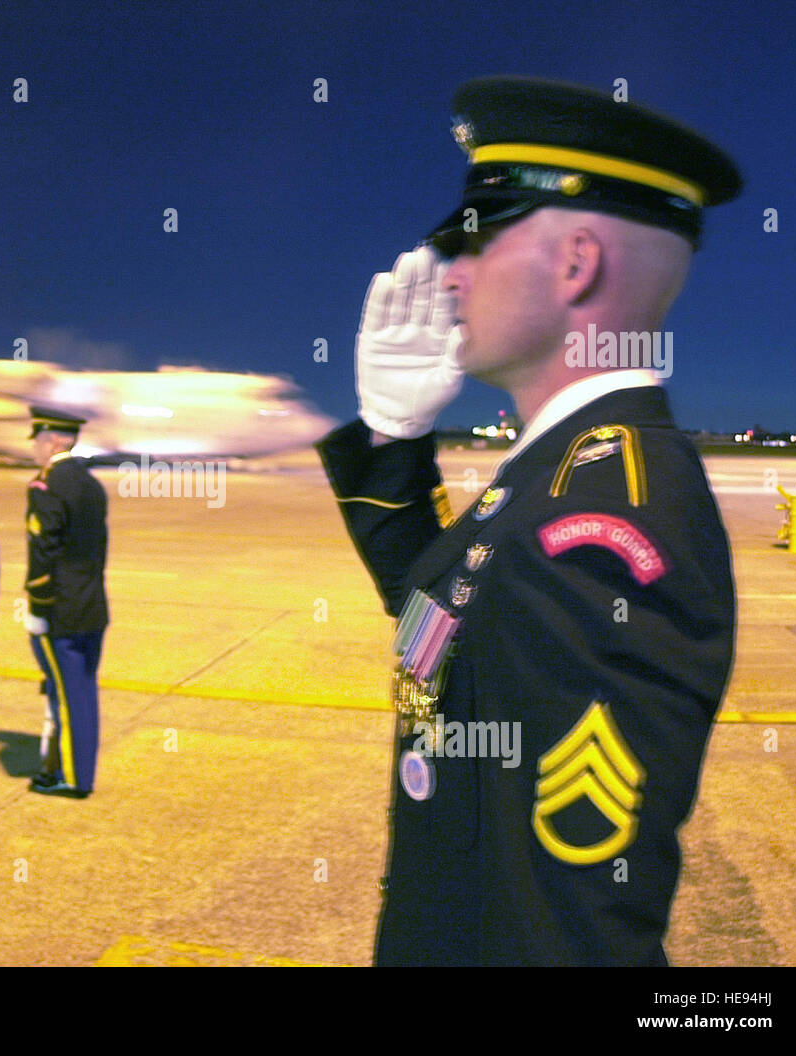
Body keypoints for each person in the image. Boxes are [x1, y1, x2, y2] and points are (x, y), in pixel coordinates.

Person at [317, 77, 741, 966]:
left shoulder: (603, 517)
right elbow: (455, 628)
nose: (450, 272)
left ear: (576, 263)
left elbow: (571, 924)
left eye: (474, 242)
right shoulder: (561, 470)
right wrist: (394, 438)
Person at [23, 406, 108, 798]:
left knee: (68, 695)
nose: (36, 448)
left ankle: (72, 778)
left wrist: (39, 607)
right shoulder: (92, 484)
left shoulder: (47, 485)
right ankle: (70, 766)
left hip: (61, 611)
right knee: (83, 692)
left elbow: (44, 552)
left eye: (39, 440)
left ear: (54, 440)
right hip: (92, 605)